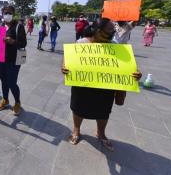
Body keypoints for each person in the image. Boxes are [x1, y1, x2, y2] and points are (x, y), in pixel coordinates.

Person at [61, 18, 142, 151]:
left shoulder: (115, 46)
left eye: (113, 29)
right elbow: (67, 58)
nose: (113, 32)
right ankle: (76, 130)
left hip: (105, 88)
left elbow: (127, 67)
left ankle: (101, 133)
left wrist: (135, 74)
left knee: (103, 112)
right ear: (98, 31)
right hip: (82, 85)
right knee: (78, 108)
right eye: (110, 30)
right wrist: (63, 66)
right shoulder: (81, 43)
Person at [0, 6, 27, 116]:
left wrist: (12, 41)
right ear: (2, 14)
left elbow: (23, 43)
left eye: (9, 12)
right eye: (5, 13)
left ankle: (17, 102)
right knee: (3, 80)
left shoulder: (19, 26)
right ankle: (5, 100)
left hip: (13, 60)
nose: (7, 14)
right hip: (0, 59)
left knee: (12, 82)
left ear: (13, 14)